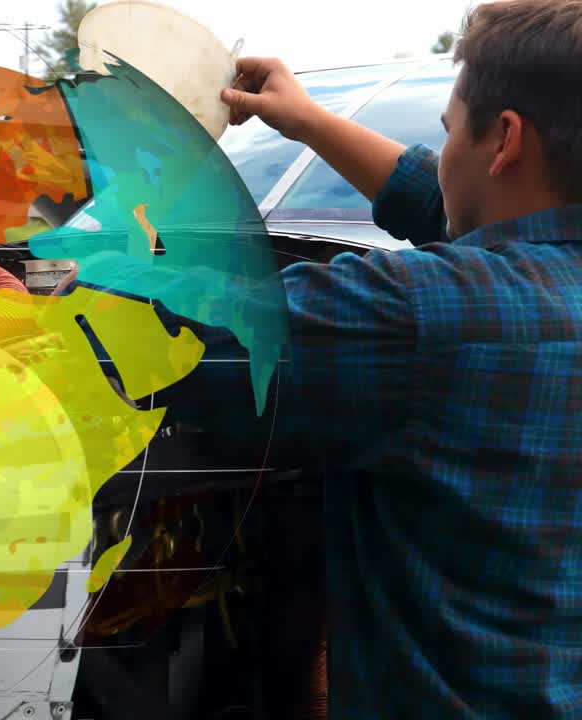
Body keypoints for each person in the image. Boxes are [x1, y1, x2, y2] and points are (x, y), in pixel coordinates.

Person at [183, 0, 582, 716]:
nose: (443, 155)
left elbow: (172, 348)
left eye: (450, 131)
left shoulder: (423, 316)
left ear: (505, 142)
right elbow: (462, 207)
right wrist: (308, 121)